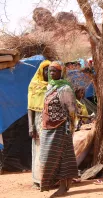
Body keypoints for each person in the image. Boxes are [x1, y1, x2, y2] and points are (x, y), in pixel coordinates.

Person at [40, 61, 78, 197]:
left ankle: (63, 187)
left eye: (55, 71)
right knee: (47, 157)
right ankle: (56, 184)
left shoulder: (65, 89)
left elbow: (72, 109)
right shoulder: (50, 86)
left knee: (62, 157)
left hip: (61, 127)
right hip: (47, 127)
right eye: (50, 71)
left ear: (61, 73)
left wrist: (70, 125)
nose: (51, 73)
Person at [27, 60, 51, 189]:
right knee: (39, 149)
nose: (48, 72)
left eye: (50, 70)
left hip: (53, 122)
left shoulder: (56, 85)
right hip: (38, 121)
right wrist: (31, 126)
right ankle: (38, 179)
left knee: (51, 150)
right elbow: (30, 107)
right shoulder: (35, 85)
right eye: (45, 70)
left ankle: (51, 179)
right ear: (41, 71)